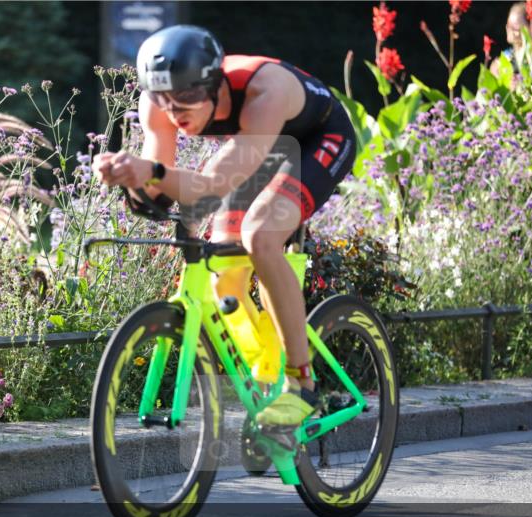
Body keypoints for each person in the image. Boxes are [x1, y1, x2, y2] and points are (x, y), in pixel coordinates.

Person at [94, 25, 356, 428]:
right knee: (224, 281)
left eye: (187, 99)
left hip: (317, 141)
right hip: (257, 150)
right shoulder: (159, 107)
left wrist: (150, 172)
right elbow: (160, 191)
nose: (175, 112)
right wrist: (131, 180)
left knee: (261, 236)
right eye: (164, 100)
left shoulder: (263, 91)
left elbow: (212, 185)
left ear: (215, 85)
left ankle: (301, 384)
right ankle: (267, 371)